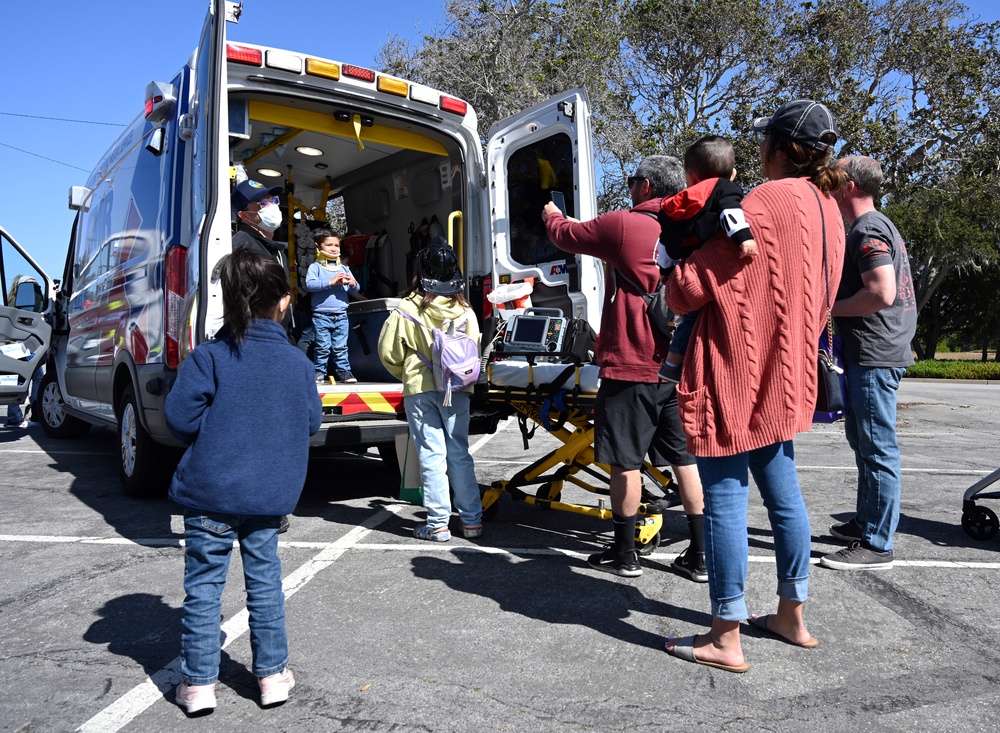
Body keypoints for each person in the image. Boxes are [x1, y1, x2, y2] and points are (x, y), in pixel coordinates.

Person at [663, 99, 847, 672]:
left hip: (736, 369)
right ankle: (791, 613)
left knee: (723, 500)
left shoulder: (762, 201)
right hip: (788, 375)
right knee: (784, 494)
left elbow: (689, 289)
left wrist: (675, 270)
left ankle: (725, 634)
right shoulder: (829, 209)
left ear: (776, 149)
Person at [166, 248, 322, 714]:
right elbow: (311, 422)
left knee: (203, 589)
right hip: (268, 496)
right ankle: (273, 676)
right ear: (284, 302)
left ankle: (197, 686)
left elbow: (178, 417)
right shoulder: (298, 363)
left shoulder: (209, 355)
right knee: (265, 584)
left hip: (210, 491)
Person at [541, 155, 708, 582]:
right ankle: (701, 554)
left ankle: (625, 553)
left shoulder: (624, 225)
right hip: (677, 363)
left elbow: (566, 236)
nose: (630, 187)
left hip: (631, 363)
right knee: (684, 459)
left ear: (647, 186)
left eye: (634, 181)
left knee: (625, 461)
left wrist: (553, 214)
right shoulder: (691, 229)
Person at [819, 156, 917, 571]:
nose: (828, 182)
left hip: (876, 354)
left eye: (835, 176)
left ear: (852, 185)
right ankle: (867, 521)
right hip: (872, 352)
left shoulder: (869, 229)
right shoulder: (871, 226)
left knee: (877, 448)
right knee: (864, 442)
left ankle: (877, 545)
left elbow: (881, 292)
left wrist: (827, 307)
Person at [377, 240, 483, 542]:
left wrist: (410, 374)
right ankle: (472, 521)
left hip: (420, 390)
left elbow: (388, 353)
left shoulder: (407, 308)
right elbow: (472, 348)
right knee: (459, 453)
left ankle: (437, 524)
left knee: (431, 455)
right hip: (457, 388)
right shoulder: (465, 309)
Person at [655, 135, 757, 383]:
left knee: (688, 317)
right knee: (702, 318)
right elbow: (730, 214)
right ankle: (673, 364)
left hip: (684, 261)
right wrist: (744, 238)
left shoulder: (673, 206)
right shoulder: (724, 188)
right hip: (708, 266)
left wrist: (665, 272)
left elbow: (665, 243)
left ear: (690, 177)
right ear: (732, 173)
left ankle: (672, 362)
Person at [304, 230, 360, 384]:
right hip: (321, 315)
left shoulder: (344, 268)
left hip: (341, 315)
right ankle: (319, 371)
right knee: (322, 346)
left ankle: (344, 371)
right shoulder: (315, 267)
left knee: (341, 346)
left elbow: (356, 289)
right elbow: (309, 285)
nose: (334, 248)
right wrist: (330, 282)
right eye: (329, 245)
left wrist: (353, 284)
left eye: (337, 245)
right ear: (317, 246)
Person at [5, 275, 45, 428]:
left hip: (13, 344)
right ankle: (27, 416)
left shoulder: (12, 301)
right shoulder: (26, 300)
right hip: (22, 345)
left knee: (17, 379)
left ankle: (16, 417)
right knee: (33, 378)